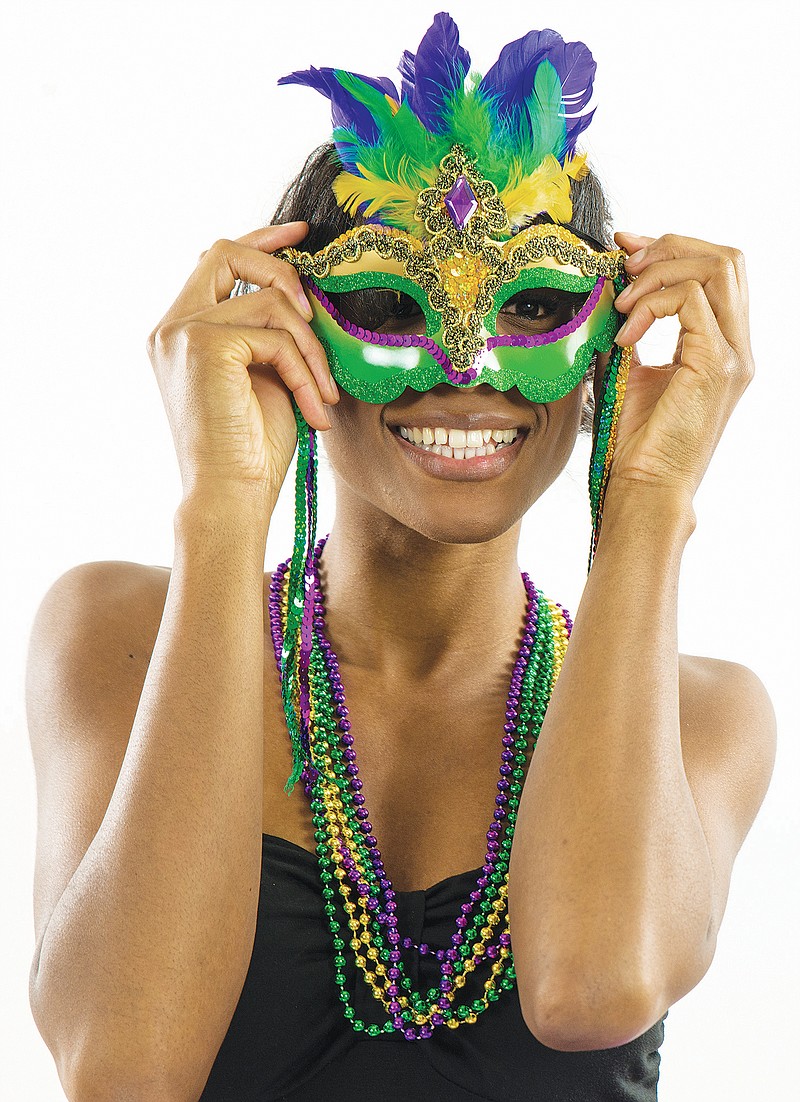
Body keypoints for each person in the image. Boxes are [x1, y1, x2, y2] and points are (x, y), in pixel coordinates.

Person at [25, 14, 776, 1102]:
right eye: (387, 304)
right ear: (284, 325)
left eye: (533, 305)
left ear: (604, 343)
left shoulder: (701, 716)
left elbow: (587, 989)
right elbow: (123, 1071)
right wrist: (224, 505)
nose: (466, 365)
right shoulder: (115, 636)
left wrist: (650, 502)